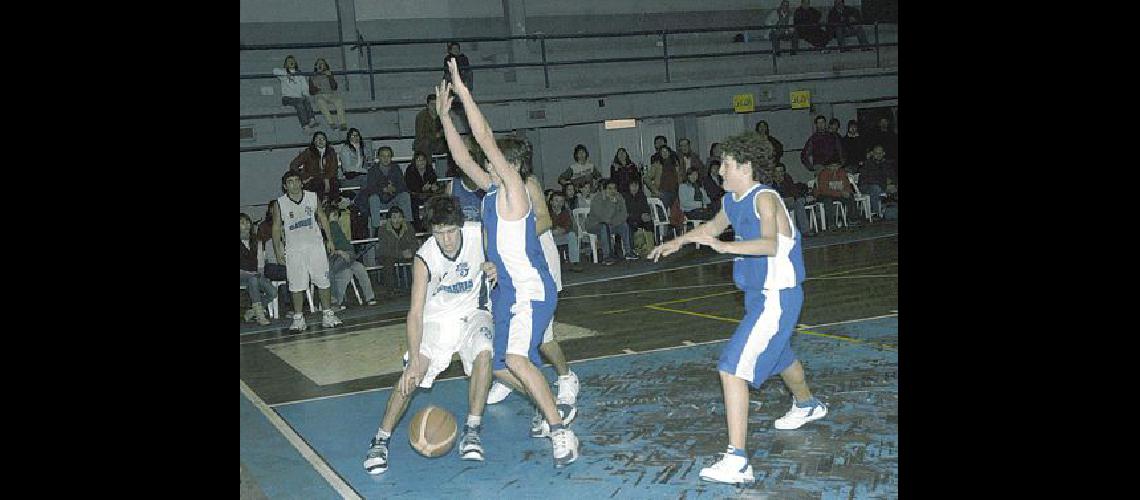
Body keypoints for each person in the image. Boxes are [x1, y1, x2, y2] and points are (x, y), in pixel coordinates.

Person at [648, 131, 826, 485]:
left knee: (731, 368)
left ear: (746, 167)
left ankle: (738, 459)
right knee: (780, 356)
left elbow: (770, 245)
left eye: (726, 165)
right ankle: (808, 405)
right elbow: (712, 228)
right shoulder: (733, 200)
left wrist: (725, 248)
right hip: (758, 296)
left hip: (778, 295)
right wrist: (676, 242)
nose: (720, 171)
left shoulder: (765, 199)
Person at [436, 59, 580, 468]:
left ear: (508, 166)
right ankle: (547, 403)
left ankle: (560, 430)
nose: (486, 166)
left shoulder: (515, 190)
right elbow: (464, 158)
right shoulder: (489, 193)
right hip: (507, 291)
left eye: (495, 162)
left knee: (516, 359)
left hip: (530, 291)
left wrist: (464, 97)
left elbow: (481, 140)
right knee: (501, 366)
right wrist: (445, 117)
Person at [362, 197, 495, 475]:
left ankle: (472, 431)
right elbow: (415, 312)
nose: (445, 240)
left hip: (474, 311)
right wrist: (413, 361)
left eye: (450, 231)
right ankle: (380, 440)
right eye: (438, 233)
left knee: (484, 351)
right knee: (413, 374)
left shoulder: (478, 233)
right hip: (437, 320)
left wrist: (494, 266)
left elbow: (503, 257)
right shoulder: (425, 258)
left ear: (460, 225)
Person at [486, 169, 582, 413]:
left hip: (538, 266)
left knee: (543, 336)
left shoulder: (528, 183)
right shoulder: (494, 188)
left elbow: (545, 219)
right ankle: (511, 373)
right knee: (505, 323)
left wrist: (515, 234)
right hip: (510, 269)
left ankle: (566, 377)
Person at [272, 170, 343, 332]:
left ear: (301, 182)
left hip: (315, 246)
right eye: (290, 181)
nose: (294, 184)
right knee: (296, 284)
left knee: (323, 281)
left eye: (297, 180)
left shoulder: (311, 197)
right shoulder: (280, 203)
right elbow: (276, 228)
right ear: (285, 186)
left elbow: (322, 217)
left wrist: (329, 239)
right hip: (294, 249)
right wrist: (277, 249)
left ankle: (327, 314)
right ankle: (298, 318)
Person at [325, 206, 377, 309]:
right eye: (333, 215)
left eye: (337, 215)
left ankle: (369, 297)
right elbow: (325, 248)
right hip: (335, 258)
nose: (336, 217)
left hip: (346, 257)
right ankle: (334, 301)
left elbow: (345, 244)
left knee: (360, 268)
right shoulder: (327, 228)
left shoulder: (336, 227)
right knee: (339, 272)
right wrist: (340, 252)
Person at [354, 146, 413, 234]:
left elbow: (403, 185)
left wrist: (394, 189)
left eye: (388, 156)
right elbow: (370, 188)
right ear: (378, 157)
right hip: (380, 201)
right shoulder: (372, 170)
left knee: (405, 196)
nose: (386, 158)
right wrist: (383, 190)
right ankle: (377, 228)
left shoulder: (396, 168)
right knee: (373, 198)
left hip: (393, 199)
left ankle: (408, 224)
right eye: (383, 156)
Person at [586, 180, 636, 265]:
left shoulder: (619, 197)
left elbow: (624, 214)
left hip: (612, 224)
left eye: (614, 189)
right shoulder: (597, 199)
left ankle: (628, 252)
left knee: (624, 225)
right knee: (604, 227)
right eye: (610, 189)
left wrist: (614, 222)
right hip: (595, 225)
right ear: (604, 189)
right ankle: (607, 256)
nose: (612, 191)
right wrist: (612, 204)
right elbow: (603, 218)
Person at [241, 213, 276, 326]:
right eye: (242, 223)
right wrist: (250, 274)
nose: (246, 225)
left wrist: (258, 274)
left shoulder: (257, 241)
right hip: (241, 275)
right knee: (253, 279)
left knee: (273, 292)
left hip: (255, 275)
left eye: (247, 222)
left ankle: (252, 311)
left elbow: (260, 264)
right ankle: (260, 316)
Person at [374, 206, 418, 294]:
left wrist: (411, 252)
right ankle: (390, 290)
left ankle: (418, 286)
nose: (397, 220)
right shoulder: (383, 229)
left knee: (419, 260)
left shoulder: (408, 227)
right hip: (389, 254)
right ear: (389, 219)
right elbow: (384, 249)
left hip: (406, 252)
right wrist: (401, 254)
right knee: (387, 262)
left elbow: (414, 243)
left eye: (399, 217)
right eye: (394, 217)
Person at [289, 131, 339, 202]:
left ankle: (334, 206)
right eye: (318, 139)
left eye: (323, 139)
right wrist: (302, 178)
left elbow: (334, 168)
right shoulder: (308, 152)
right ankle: (318, 207)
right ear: (314, 142)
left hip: (329, 178)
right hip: (313, 179)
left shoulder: (331, 152)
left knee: (335, 184)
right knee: (318, 184)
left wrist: (327, 179)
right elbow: (293, 165)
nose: (321, 141)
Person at [273, 55, 319, 131]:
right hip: (287, 98)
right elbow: (274, 71)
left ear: (295, 63)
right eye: (289, 61)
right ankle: (305, 125)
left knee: (306, 100)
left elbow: (304, 87)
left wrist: (305, 94)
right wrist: (285, 73)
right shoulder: (283, 73)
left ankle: (312, 119)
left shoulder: (299, 74)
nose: (291, 62)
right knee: (299, 103)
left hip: (299, 98)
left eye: (292, 61)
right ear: (286, 64)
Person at [813, 159, 857, 229]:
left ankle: (852, 219)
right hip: (825, 194)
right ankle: (831, 223)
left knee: (850, 197)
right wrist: (840, 193)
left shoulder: (841, 172)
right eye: (832, 166)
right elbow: (824, 190)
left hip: (838, 193)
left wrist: (847, 192)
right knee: (828, 200)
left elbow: (846, 184)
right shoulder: (823, 174)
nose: (834, 168)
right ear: (828, 166)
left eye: (836, 166)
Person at [856, 144, 895, 218]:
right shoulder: (867, 163)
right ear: (872, 153)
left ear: (884, 153)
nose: (878, 155)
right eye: (876, 153)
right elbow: (870, 179)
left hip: (881, 185)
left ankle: (890, 209)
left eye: (880, 153)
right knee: (875, 188)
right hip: (865, 186)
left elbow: (893, 176)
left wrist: (893, 183)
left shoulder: (887, 164)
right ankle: (875, 213)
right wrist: (885, 184)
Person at [309, 58, 348, 131]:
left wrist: (330, 77)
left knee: (339, 100)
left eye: (322, 64)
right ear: (316, 66)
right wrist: (316, 89)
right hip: (319, 95)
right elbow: (311, 92)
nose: (320, 65)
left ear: (325, 65)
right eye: (319, 64)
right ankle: (331, 123)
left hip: (330, 94)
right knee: (320, 101)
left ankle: (343, 123)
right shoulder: (312, 76)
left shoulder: (329, 74)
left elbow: (334, 87)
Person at [405, 151, 440, 226]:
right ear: (414, 161)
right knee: (413, 202)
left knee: (435, 200)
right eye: (418, 160)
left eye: (423, 160)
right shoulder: (410, 170)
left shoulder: (429, 169)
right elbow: (410, 186)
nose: (421, 162)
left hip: (428, 194)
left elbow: (434, 181)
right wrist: (422, 188)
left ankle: (432, 223)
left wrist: (434, 186)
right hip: (415, 195)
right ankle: (416, 226)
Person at [413, 94, 448, 158]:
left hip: (438, 144)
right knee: (426, 144)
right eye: (432, 104)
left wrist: (440, 134)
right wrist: (436, 135)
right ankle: (427, 167)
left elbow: (446, 130)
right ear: (427, 105)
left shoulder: (442, 115)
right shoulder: (421, 116)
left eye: (436, 104)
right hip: (423, 144)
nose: (434, 107)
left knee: (452, 146)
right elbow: (420, 135)